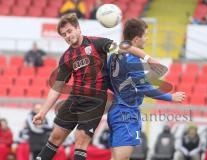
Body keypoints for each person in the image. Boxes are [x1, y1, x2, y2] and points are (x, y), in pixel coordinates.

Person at [32, 13, 163, 160]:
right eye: (64, 35)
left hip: (95, 102)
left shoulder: (97, 43)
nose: (68, 36)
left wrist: (148, 58)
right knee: (55, 136)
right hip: (75, 99)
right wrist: (42, 112)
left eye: (69, 31)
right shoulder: (66, 57)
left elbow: (124, 47)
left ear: (78, 28)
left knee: (81, 138)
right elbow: (57, 87)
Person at [107, 18, 186, 160]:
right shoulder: (132, 60)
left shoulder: (113, 56)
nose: (147, 38)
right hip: (126, 113)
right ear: (137, 39)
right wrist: (171, 97)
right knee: (122, 158)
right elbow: (145, 88)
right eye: (145, 35)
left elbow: (108, 81)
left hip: (117, 111)